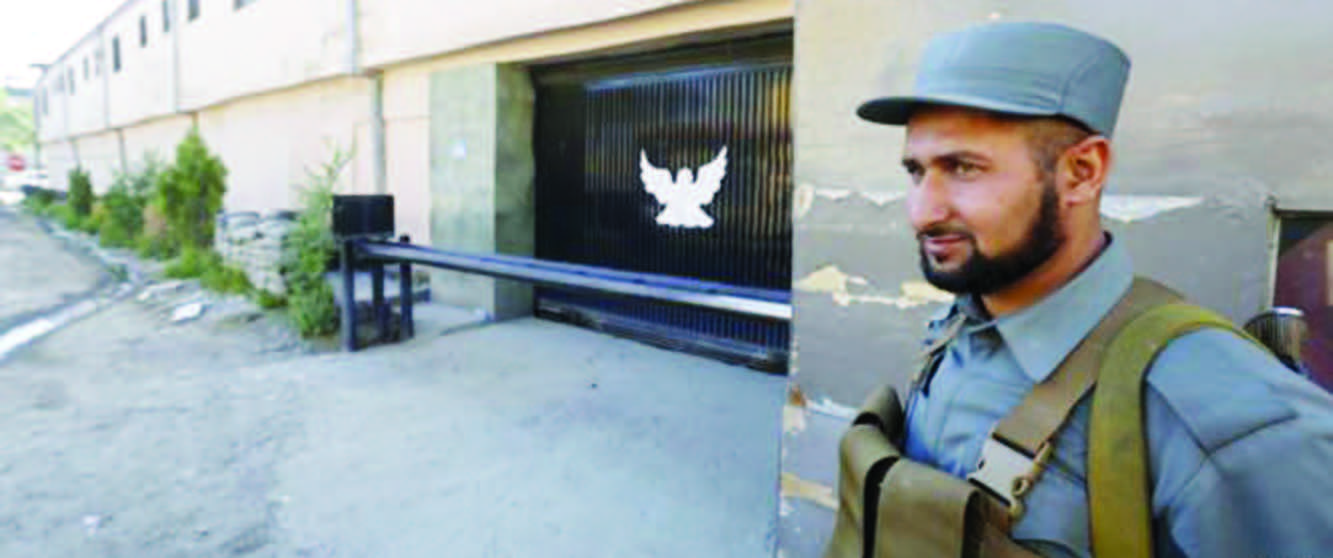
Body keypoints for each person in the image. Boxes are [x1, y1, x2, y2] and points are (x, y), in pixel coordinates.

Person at [844, 21, 1333, 557]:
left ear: (1082, 171)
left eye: (963, 168)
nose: (922, 212)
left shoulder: (1225, 422)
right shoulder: (958, 329)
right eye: (916, 172)